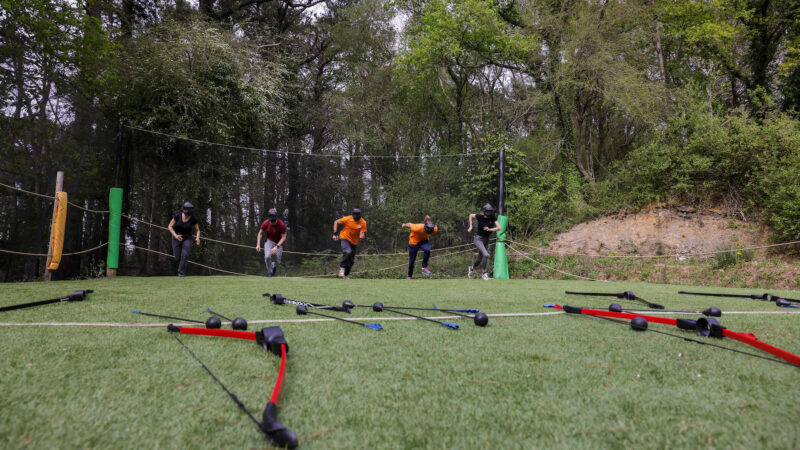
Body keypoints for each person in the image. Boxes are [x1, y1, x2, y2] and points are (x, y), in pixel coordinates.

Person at [467, 204, 500, 280]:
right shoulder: (480, 216)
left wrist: (490, 229)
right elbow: (471, 215)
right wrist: (471, 226)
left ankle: (471, 268)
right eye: (488, 211)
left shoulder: (492, 217)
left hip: (486, 240)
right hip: (478, 239)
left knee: (479, 258)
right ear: (485, 211)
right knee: (486, 254)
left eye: (490, 211)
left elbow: (499, 227)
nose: (489, 213)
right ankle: (484, 273)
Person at [168, 202, 200, 277]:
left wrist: (197, 238)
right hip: (177, 237)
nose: (187, 216)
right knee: (177, 257)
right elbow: (169, 226)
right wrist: (175, 236)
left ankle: (181, 272)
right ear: (183, 211)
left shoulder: (193, 219)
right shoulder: (177, 216)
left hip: (187, 238)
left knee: (185, 255)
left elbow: (197, 230)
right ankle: (180, 270)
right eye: (186, 214)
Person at [333, 207, 367, 279]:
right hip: (344, 237)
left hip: (354, 242)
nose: (356, 220)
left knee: (351, 261)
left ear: (360, 216)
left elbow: (362, 233)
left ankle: (345, 275)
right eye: (355, 218)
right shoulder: (347, 218)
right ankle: (342, 269)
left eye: (357, 219)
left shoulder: (363, 222)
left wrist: (362, 235)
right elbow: (336, 222)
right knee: (347, 251)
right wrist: (335, 234)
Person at [256, 208, 287, 277]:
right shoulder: (266, 222)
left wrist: (277, 247)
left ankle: (273, 265)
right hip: (269, 241)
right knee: (267, 257)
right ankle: (270, 272)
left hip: (279, 242)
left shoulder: (281, 225)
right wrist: (258, 244)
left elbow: (284, 237)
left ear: (276, 217)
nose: (272, 223)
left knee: (277, 261)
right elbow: (260, 233)